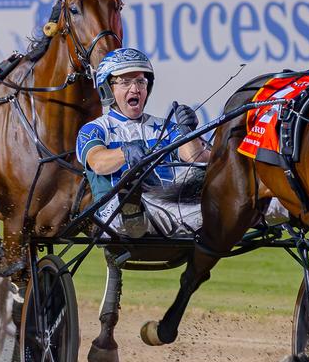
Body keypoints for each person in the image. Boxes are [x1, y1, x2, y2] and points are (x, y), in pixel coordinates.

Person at [76, 47, 210, 238]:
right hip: (113, 213)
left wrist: (190, 132)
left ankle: (260, 210)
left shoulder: (165, 127)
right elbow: (98, 162)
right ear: (107, 88)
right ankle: (133, 212)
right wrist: (125, 152)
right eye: (125, 82)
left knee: (214, 201)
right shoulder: (94, 129)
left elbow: (195, 158)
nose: (135, 89)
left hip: (168, 210)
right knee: (129, 194)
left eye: (141, 81)